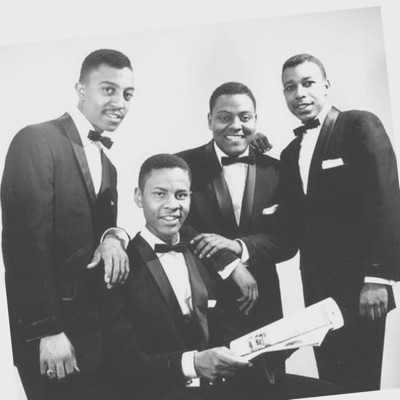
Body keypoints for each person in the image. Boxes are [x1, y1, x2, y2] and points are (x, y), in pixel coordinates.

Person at [1, 49, 134, 400]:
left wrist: (114, 237)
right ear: (81, 89)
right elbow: (23, 245)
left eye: (127, 94)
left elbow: (98, 233)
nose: (120, 103)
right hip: (53, 340)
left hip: (96, 339)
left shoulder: (108, 164)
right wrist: (48, 331)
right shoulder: (35, 140)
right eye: (108, 89)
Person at [277, 53, 400, 393]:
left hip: (362, 286)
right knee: (331, 385)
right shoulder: (290, 152)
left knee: (361, 385)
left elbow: (386, 200)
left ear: (326, 86)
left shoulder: (358, 124)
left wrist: (378, 278)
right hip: (316, 288)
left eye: (307, 83)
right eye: (290, 87)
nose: (299, 93)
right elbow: (293, 219)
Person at [176, 82, 295, 349]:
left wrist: (240, 248)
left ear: (255, 120)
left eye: (244, 117)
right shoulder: (182, 166)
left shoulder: (277, 171)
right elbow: (177, 227)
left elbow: (288, 239)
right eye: (225, 117)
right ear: (209, 120)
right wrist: (230, 263)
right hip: (204, 305)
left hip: (263, 307)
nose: (236, 125)